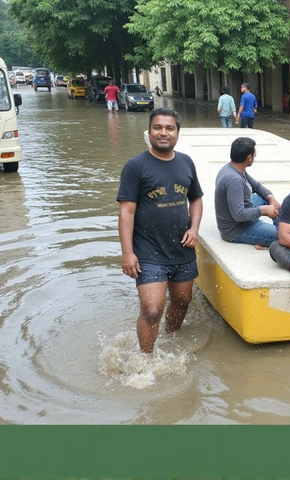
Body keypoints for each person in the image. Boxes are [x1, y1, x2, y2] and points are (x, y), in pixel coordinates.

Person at [117, 108, 204, 353]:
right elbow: (127, 212)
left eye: (169, 128)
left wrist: (195, 228)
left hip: (182, 247)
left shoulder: (186, 162)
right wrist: (127, 253)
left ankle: (168, 339)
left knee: (182, 301)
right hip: (148, 250)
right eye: (158, 127)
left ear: (177, 133)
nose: (163, 133)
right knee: (153, 310)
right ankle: (145, 359)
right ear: (150, 132)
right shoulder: (135, 166)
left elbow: (196, 199)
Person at [215, 137, 280, 249]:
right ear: (249, 157)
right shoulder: (234, 180)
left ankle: (281, 226)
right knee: (283, 237)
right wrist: (263, 210)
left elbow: (257, 187)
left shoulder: (234, 168)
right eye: (254, 154)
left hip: (243, 210)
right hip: (237, 229)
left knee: (264, 197)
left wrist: (271, 197)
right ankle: (277, 239)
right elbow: (239, 215)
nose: (255, 156)